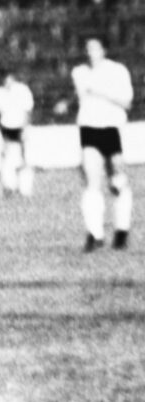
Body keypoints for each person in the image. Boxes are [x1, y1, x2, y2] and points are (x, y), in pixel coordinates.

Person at [70, 36, 134, 252]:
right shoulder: (79, 72)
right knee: (91, 179)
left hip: (111, 128)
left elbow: (127, 102)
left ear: (104, 50)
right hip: (89, 129)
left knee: (117, 180)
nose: (90, 53)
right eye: (87, 48)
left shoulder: (117, 71)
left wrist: (100, 93)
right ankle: (94, 234)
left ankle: (122, 230)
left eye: (95, 48)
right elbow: (80, 98)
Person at [0, 66, 34, 197]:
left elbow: (28, 110)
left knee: (24, 157)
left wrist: (25, 128)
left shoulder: (23, 90)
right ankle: (9, 186)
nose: (6, 81)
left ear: (13, 77)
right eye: (3, 79)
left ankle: (25, 188)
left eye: (8, 78)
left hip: (20, 126)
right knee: (6, 156)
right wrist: (0, 130)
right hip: (6, 127)